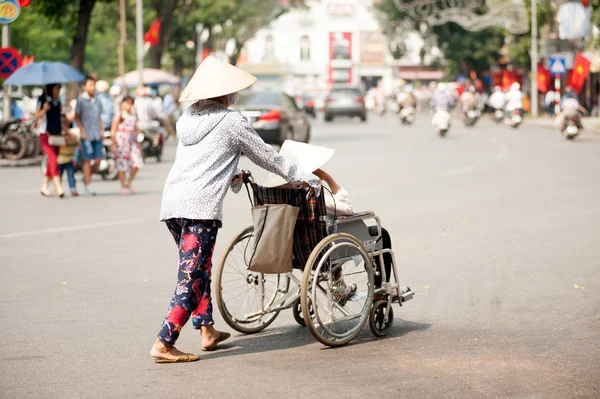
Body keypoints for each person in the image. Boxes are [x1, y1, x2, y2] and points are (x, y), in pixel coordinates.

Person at [151, 56, 321, 363]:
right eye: (233, 91)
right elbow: (267, 156)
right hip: (200, 208)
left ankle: (207, 330)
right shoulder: (231, 121)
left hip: (173, 203)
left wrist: (231, 174)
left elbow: (202, 160)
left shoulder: (187, 118)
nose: (236, 96)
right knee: (191, 277)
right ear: (224, 93)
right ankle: (164, 342)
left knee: (199, 268)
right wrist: (302, 175)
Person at [74, 77, 104, 196]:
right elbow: (76, 117)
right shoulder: (81, 100)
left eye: (94, 85)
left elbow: (99, 116)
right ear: (84, 87)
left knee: (98, 159)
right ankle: (88, 183)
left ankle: (87, 177)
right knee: (87, 160)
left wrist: (102, 129)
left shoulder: (98, 100)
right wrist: (81, 130)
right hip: (86, 134)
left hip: (97, 133)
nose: (93, 87)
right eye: (90, 85)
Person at [35, 83, 65, 198]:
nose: (59, 90)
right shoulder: (42, 99)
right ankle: (58, 186)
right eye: (57, 88)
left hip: (56, 134)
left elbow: (60, 118)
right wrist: (44, 109)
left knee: (52, 161)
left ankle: (44, 185)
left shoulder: (57, 100)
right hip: (45, 133)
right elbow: (36, 117)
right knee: (52, 159)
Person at [110, 95, 143, 195]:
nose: (128, 105)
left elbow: (135, 129)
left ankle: (129, 182)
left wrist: (138, 142)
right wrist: (113, 144)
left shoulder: (133, 115)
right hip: (121, 143)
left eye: (130, 103)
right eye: (126, 103)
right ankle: (123, 185)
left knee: (137, 162)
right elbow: (113, 131)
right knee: (122, 165)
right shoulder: (119, 116)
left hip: (132, 142)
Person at [57, 118, 79, 197]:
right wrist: (64, 140)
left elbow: (77, 144)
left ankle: (73, 189)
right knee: (59, 175)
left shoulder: (72, 134)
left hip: (69, 159)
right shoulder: (60, 134)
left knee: (71, 175)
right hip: (60, 159)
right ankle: (58, 187)